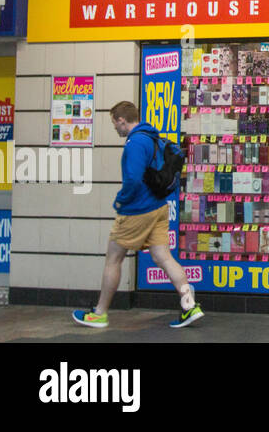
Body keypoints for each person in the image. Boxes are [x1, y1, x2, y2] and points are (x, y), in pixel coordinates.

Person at [73, 100, 204, 329]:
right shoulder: (152, 136)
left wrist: (121, 200)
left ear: (122, 120)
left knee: (113, 259)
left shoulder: (134, 143)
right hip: (159, 207)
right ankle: (189, 305)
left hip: (136, 210)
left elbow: (133, 179)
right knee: (164, 257)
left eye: (115, 123)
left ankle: (100, 313)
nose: (115, 128)